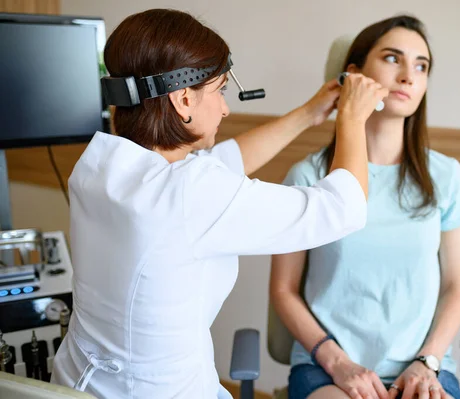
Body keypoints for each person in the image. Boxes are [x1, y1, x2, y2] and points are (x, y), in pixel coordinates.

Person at [49, 8, 388, 399]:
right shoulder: (190, 193)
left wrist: (307, 115)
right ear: (184, 99)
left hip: (77, 386)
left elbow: (220, 165)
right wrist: (352, 117)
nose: (226, 108)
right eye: (221, 89)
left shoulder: (100, 168)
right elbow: (343, 209)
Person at [270, 15, 460, 399]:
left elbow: (456, 287)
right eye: (392, 58)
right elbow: (284, 290)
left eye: (421, 66)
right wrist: (337, 362)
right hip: (329, 369)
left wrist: (429, 361)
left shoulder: (448, 177)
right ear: (353, 74)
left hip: (424, 368)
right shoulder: (308, 176)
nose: (408, 76)